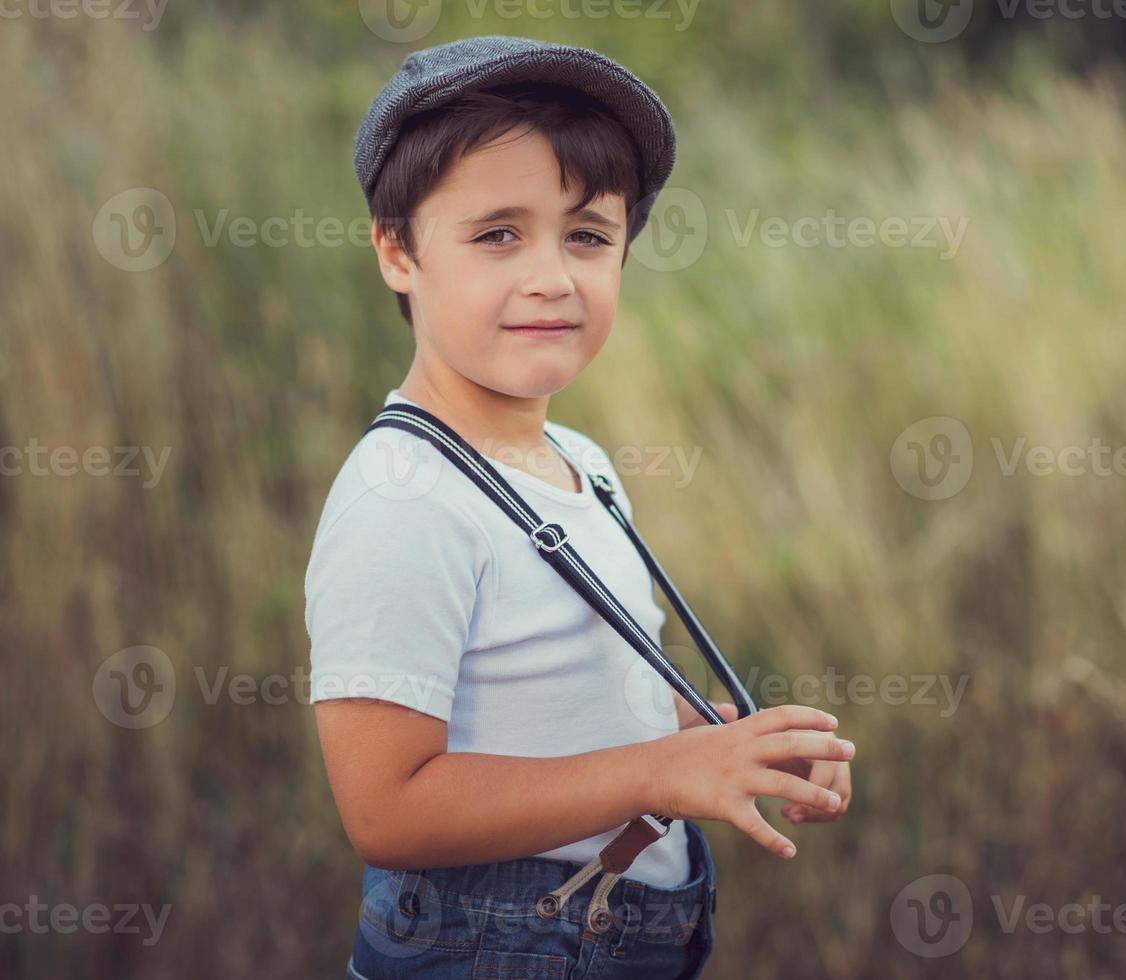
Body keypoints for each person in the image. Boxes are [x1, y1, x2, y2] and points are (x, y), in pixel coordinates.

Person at [304, 36, 854, 979]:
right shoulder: (404, 500)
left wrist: (728, 744)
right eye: (497, 235)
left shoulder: (579, 462)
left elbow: (572, 707)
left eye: (589, 236)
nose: (553, 276)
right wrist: (660, 775)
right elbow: (384, 809)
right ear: (397, 251)